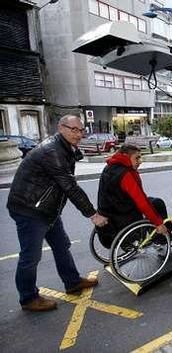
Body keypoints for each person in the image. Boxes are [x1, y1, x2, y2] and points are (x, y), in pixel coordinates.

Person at [7, 114, 108, 312]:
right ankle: (28, 298)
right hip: (30, 209)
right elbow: (70, 186)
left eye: (81, 130)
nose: (78, 134)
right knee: (31, 256)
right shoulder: (52, 151)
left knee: (62, 245)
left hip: (46, 209)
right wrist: (93, 215)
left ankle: (72, 282)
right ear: (61, 128)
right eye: (74, 129)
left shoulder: (64, 148)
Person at [96, 143, 169, 248]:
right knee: (157, 204)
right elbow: (142, 201)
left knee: (153, 202)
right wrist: (158, 223)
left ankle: (155, 237)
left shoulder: (109, 167)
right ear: (125, 156)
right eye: (137, 158)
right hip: (122, 217)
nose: (140, 162)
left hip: (109, 213)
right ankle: (161, 239)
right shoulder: (126, 174)